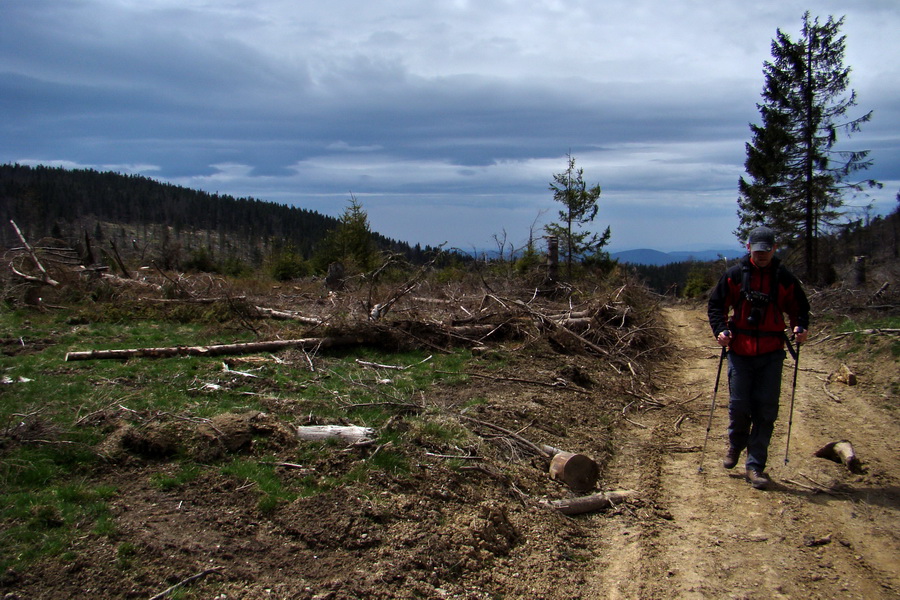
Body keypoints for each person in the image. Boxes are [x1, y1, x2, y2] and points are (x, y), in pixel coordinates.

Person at [707, 226, 810, 490]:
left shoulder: (783, 278)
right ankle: (736, 444)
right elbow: (716, 305)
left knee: (766, 410)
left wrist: (800, 326)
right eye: (757, 249)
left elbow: (799, 308)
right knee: (739, 406)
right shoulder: (735, 276)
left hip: (772, 353)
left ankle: (755, 466)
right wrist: (721, 330)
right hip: (740, 351)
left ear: (774, 249)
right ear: (749, 248)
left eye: (766, 250)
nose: (762, 254)